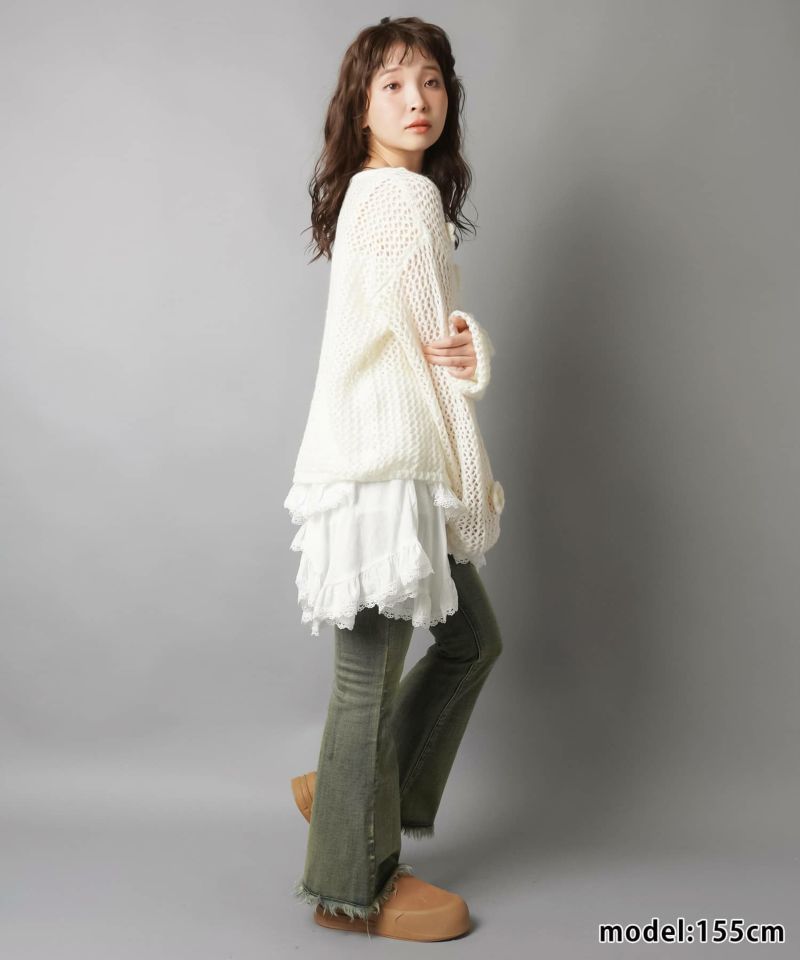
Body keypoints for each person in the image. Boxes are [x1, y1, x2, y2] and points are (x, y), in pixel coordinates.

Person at [283, 16, 506, 942]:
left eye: (433, 82)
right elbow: (430, 373)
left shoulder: (377, 196)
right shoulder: (402, 200)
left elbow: (424, 338)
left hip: (384, 458)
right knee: (367, 681)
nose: (418, 100)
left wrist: (466, 347)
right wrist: (472, 482)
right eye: (394, 85)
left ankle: (349, 793)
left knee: (469, 642)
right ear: (361, 107)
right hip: (387, 468)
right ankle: (351, 885)